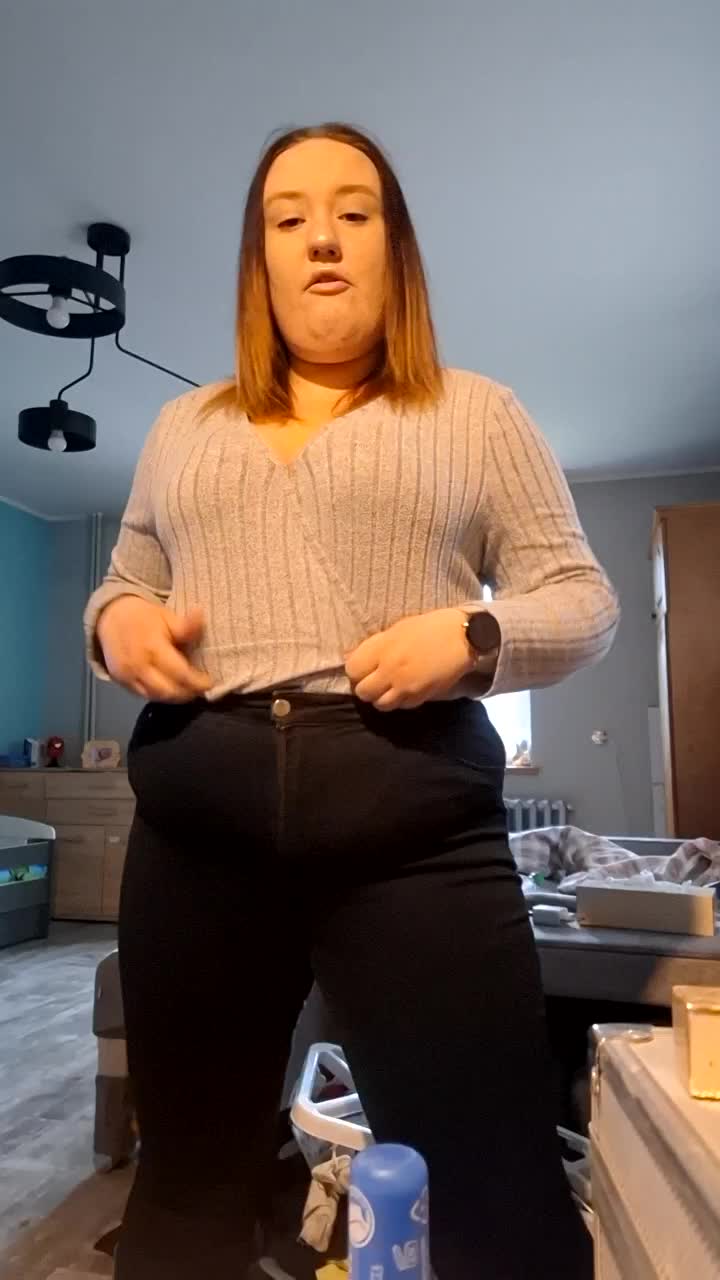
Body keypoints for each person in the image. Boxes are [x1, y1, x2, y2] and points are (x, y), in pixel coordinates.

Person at [85, 122, 618, 1279]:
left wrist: (471, 637)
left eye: (353, 213)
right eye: (289, 218)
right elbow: (127, 582)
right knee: (184, 1185)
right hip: (195, 845)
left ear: (394, 249)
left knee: (494, 1190)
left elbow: (585, 600)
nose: (321, 237)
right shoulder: (184, 427)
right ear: (261, 260)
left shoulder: (477, 412)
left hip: (417, 840)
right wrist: (116, 624)